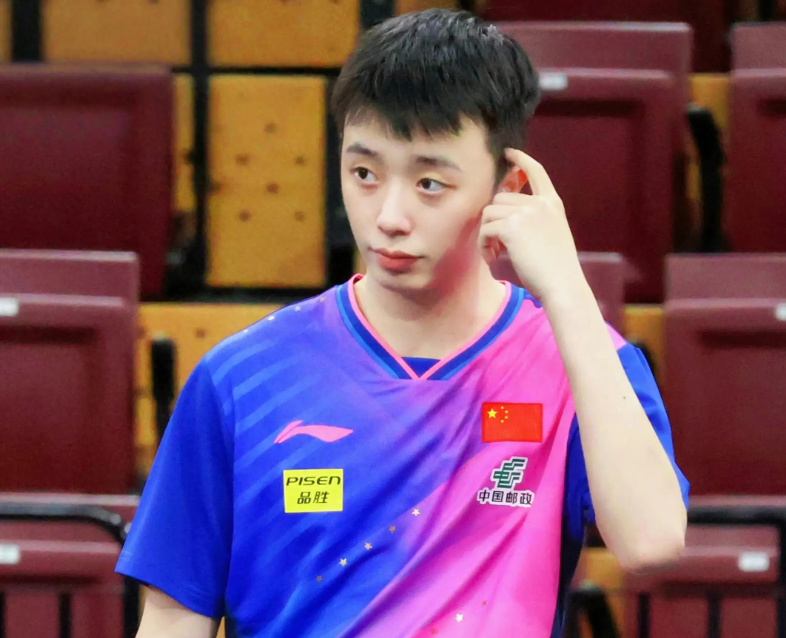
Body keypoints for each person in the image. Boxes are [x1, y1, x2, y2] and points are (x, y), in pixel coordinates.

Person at [118, 9, 689, 638]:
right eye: (364, 174)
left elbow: (651, 541)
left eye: (429, 183)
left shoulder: (582, 362)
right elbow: (173, 614)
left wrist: (567, 291)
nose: (389, 216)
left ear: (509, 188)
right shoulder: (240, 379)